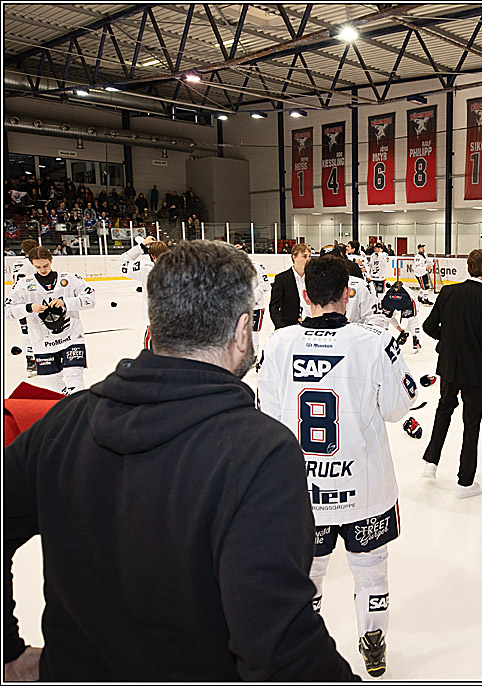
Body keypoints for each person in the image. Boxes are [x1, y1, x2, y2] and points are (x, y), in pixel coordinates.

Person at [4, 240, 356, 680]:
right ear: (243, 330)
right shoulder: (260, 453)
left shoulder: (62, 425)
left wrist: (7, 651)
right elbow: (278, 646)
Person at [258, 256, 416, 678]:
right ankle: (374, 643)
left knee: (308, 578)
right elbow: (399, 408)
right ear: (348, 294)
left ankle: (305, 649)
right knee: (371, 573)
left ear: (304, 295)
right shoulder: (374, 342)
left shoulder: (277, 345)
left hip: (304, 494)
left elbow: (269, 418)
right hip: (365, 491)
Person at [421, 249, 482, 498]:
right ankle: (465, 481)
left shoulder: (448, 292)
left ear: (468, 267)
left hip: (449, 366)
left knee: (443, 411)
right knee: (471, 425)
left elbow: (429, 326)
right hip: (473, 372)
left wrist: (450, 338)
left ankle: (431, 463)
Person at [4, 246, 95, 395]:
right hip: (42, 342)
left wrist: (66, 302)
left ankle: (80, 411)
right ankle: (67, 409)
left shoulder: (70, 279)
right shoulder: (23, 285)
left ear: (51, 261)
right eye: (38, 267)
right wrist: (28, 307)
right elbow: (7, 312)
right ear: (32, 264)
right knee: (55, 387)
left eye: (45, 265)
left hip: (71, 337)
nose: (43, 270)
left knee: (75, 379)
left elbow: (90, 300)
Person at [120, 235, 169, 349]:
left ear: (152, 255)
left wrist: (141, 246)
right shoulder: (177, 267)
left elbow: (123, 263)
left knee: (151, 355)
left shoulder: (146, 268)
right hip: (174, 321)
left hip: (154, 322)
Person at [235, 244, 272, 353]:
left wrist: (252, 298)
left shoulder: (257, 267)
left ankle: (254, 354)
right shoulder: (232, 269)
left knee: (253, 331)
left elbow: (265, 286)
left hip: (256, 306)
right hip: (238, 307)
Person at [10, 238, 39, 376]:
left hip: (18, 302)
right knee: (35, 331)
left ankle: (31, 361)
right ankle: (34, 360)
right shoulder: (33, 264)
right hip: (30, 302)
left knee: (26, 332)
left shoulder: (17, 263)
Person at [269, 242, 311, 329]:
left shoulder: (313, 278)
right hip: (288, 327)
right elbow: (274, 307)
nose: (308, 259)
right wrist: (281, 326)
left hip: (309, 326)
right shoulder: (282, 279)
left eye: (309, 256)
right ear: (294, 257)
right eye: (304, 256)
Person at [380, 280, 422, 352]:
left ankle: (382, 340)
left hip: (389, 300)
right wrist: (406, 331)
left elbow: (390, 318)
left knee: (386, 319)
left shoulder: (388, 291)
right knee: (413, 320)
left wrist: (400, 329)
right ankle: (416, 341)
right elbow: (412, 317)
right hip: (405, 300)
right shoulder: (408, 290)